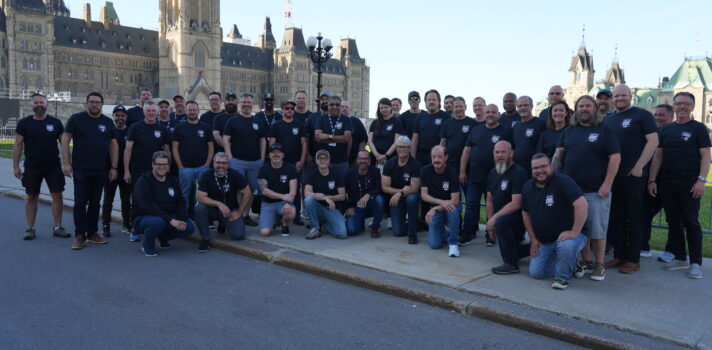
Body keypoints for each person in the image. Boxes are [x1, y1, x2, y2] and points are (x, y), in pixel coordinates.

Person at [554, 95, 620, 280]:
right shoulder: (569, 131)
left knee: (597, 230)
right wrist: (551, 178)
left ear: (595, 109)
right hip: (571, 192)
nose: (584, 109)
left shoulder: (605, 130)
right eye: (581, 106)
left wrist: (607, 184)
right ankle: (586, 260)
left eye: (588, 106)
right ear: (576, 109)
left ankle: (599, 265)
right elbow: (558, 156)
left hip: (596, 191)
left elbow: (615, 158)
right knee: (579, 228)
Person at [648, 92, 710, 279]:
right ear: (673, 106)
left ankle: (696, 263)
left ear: (692, 106)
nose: (682, 107)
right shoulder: (666, 130)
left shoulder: (698, 129)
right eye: (678, 104)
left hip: (690, 184)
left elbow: (706, 156)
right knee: (673, 222)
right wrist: (652, 180)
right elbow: (658, 156)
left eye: (686, 104)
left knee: (691, 223)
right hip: (668, 183)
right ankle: (680, 256)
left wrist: (701, 180)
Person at [603, 84, 658, 273]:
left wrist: (639, 166)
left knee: (634, 217)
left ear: (630, 96)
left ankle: (633, 259)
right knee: (616, 217)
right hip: (614, 177)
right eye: (616, 96)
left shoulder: (642, 115)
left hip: (633, 176)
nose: (619, 99)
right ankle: (619, 255)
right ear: (612, 98)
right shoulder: (609, 119)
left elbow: (653, 142)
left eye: (623, 95)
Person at [61, 92, 119, 250]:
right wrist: (66, 163)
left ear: (101, 104)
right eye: (92, 102)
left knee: (95, 203)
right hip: (81, 169)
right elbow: (65, 139)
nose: (94, 105)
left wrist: (114, 167)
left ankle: (92, 233)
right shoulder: (76, 119)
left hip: (101, 169)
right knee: (80, 203)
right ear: (87, 103)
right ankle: (80, 235)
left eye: (97, 102)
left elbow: (113, 145)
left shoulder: (107, 122)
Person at [523, 154, 588, 290]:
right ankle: (571, 264)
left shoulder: (563, 181)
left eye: (543, 166)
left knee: (566, 246)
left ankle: (563, 277)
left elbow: (582, 205)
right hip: (545, 241)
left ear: (551, 166)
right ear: (531, 170)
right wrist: (533, 239)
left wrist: (574, 232)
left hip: (570, 238)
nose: (540, 170)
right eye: (536, 168)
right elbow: (526, 213)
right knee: (536, 273)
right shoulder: (528, 187)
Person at [13, 93, 68, 240]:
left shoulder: (56, 123)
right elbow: (18, 145)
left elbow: (64, 145)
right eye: (36, 102)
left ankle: (57, 227)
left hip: (53, 167)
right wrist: (15, 166)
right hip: (32, 166)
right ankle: (30, 228)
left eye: (41, 102)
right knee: (31, 197)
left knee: (57, 195)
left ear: (46, 104)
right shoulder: (24, 123)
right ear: (31, 105)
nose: (39, 105)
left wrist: (68, 164)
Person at [460, 104, 513, 246]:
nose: (490, 114)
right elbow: (466, 151)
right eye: (487, 112)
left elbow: (510, 154)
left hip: (496, 177)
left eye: (493, 112)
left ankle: (491, 234)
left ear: (498, 114)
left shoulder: (506, 131)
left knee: (494, 206)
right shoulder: (476, 130)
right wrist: (462, 171)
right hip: (474, 176)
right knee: (471, 205)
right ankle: (468, 233)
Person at [131, 151, 195, 256]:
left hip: (166, 216)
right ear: (153, 164)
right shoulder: (144, 181)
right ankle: (148, 245)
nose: (162, 167)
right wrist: (170, 220)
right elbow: (147, 206)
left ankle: (163, 237)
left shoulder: (173, 180)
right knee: (157, 223)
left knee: (189, 227)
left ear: (168, 165)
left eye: (164, 164)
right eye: (159, 164)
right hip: (144, 217)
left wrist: (182, 220)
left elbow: (181, 202)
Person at [223, 93, 267, 226]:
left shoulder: (258, 121)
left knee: (253, 189)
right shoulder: (232, 120)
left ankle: (246, 214)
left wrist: (262, 158)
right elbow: (226, 140)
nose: (246, 104)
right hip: (237, 162)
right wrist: (230, 158)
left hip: (255, 163)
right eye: (244, 102)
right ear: (239, 104)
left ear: (252, 104)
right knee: (238, 189)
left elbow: (263, 140)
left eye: (249, 102)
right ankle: (237, 213)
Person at [486, 141, 530, 274]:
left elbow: (516, 203)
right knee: (512, 250)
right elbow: (489, 201)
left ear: (511, 153)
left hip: (519, 218)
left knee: (501, 222)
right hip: (502, 219)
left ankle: (511, 265)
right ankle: (540, 246)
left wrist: (494, 219)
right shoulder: (493, 173)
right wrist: (489, 224)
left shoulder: (519, 173)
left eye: (503, 152)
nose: (499, 155)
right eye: (497, 152)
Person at [195, 153, 252, 252]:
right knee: (199, 208)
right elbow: (200, 198)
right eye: (218, 163)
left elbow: (247, 193)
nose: (221, 165)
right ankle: (205, 239)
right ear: (213, 164)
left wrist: (239, 212)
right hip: (212, 209)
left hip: (231, 210)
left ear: (228, 165)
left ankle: (223, 223)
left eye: (224, 163)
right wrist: (219, 204)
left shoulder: (235, 174)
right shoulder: (207, 175)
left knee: (238, 235)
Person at [642, 104, 675, 260]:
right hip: (653, 181)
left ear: (671, 116)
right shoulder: (652, 133)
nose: (657, 118)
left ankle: (672, 250)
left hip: (671, 181)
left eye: (661, 115)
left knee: (674, 218)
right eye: (655, 115)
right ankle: (643, 245)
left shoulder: (674, 132)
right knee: (645, 213)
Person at [172, 100, 214, 215]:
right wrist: (180, 166)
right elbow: (175, 148)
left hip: (202, 168)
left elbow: (211, 147)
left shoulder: (206, 127)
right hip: (185, 168)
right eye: (190, 110)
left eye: (194, 110)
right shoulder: (179, 127)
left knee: (204, 195)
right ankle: (183, 220)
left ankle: (205, 219)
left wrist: (207, 165)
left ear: (198, 111)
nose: (192, 112)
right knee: (184, 196)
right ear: (186, 111)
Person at [269, 100, 308, 226]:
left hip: (295, 164)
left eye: (292, 108)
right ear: (282, 110)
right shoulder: (276, 125)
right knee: (279, 188)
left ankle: (295, 216)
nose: (290, 110)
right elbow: (272, 145)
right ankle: (277, 215)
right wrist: (274, 162)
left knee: (295, 191)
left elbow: (304, 144)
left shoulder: (300, 125)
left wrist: (302, 161)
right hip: (280, 163)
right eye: (287, 108)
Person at [421, 145, 461, 257]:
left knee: (453, 211)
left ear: (446, 157)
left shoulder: (452, 172)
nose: (436, 160)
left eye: (439, 157)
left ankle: (453, 244)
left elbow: (455, 200)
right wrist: (441, 203)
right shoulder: (425, 171)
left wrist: (436, 208)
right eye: (433, 157)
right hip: (437, 208)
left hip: (449, 206)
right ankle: (450, 234)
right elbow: (424, 195)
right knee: (434, 244)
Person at [382, 136, 421, 243]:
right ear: (396, 148)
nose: (401, 149)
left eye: (404, 147)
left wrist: (400, 193)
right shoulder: (389, 163)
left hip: (409, 196)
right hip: (396, 198)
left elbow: (414, 188)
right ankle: (416, 224)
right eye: (399, 147)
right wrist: (400, 192)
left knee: (412, 199)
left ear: (409, 148)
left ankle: (412, 233)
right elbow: (385, 187)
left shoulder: (415, 165)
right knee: (398, 232)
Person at [101, 105, 132, 237]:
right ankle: (106, 224)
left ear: (126, 117)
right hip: (110, 171)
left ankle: (126, 224)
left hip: (126, 171)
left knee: (126, 200)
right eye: (117, 115)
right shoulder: (108, 130)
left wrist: (128, 171)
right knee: (108, 199)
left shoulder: (131, 131)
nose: (120, 118)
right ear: (113, 116)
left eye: (122, 115)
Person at [303, 149, 347, 239]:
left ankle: (325, 225)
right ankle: (315, 228)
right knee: (308, 200)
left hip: (332, 208)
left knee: (342, 234)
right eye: (320, 158)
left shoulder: (337, 174)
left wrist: (326, 197)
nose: (322, 160)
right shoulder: (312, 174)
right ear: (316, 160)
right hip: (318, 208)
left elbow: (342, 196)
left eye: (325, 158)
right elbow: (306, 193)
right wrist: (325, 199)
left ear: (329, 160)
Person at [258, 143, 298, 237]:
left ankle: (284, 222)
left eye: (279, 152)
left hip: (283, 203)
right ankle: (274, 219)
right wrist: (283, 196)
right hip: (268, 203)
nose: (276, 154)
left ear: (283, 155)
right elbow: (264, 190)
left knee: (291, 212)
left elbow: (293, 191)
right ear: (269, 155)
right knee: (264, 233)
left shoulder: (290, 168)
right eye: (273, 152)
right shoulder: (263, 169)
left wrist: (289, 203)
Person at [345, 151, 384, 237]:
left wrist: (369, 194)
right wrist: (347, 207)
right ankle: (360, 223)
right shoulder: (349, 173)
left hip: (370, 205)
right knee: (352, 231)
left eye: (365, 159)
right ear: (357, 160)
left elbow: (379, 189)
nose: (363, 161)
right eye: (360, 159)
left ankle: (375, 227)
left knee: (379, 199)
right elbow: (342, 192)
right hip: (355, 207)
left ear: (369, 160)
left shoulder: (375, 171)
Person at [314, 95, 352, 176]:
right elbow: (318, 137)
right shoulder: (321, 119)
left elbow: (346, 139)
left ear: (340, 106)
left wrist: (328, 137)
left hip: (341, 161)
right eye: (331, 105)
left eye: (337, 105)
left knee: (342, 186)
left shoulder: (346, 119)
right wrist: (339, 139)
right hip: (324, 161)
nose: (334, 107)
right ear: (328, 106)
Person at [412, 89, 450, 166]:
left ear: (439, 101)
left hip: (439, 158)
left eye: (434, 100)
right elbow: (415, 139)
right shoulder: (419, 117)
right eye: (429, 100)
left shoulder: (446, 117)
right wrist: (412, 158)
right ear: (425, 102)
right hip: (421, 158)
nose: (431, 102)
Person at [440, 96, 477, 175]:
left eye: (461, 106)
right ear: (453, 108)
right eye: (456, 107)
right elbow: (443, 144)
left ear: (465, 107)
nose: (458, 109)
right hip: (450, 163)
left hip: (468, 164)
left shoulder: (473, 123)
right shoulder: (447, 123)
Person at [512, 96, 546, 175]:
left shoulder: (541, 123)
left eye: (525, 105)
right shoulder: (516, 126)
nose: (522, 108)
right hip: (519, 170)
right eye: (520, 106)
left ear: (531, 106)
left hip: (536, 170)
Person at [368, 98, 403, 166]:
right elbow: (370, 141)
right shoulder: (375, 122)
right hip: (375, 158)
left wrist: (385, 156)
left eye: (386, 107)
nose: (384, 110)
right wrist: (377, 155)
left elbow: (397, 141)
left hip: (391, 158)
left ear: (390, 108)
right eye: (381, 108)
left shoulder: (396, 122)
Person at [343, 100, 368, 167]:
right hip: (337, 160)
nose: (344, 108)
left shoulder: (356, 121)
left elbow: (363, 140)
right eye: (342, 106)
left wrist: (359, 157)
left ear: (350, 109)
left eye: (346, 107)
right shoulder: (335, 121)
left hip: (353, 160)